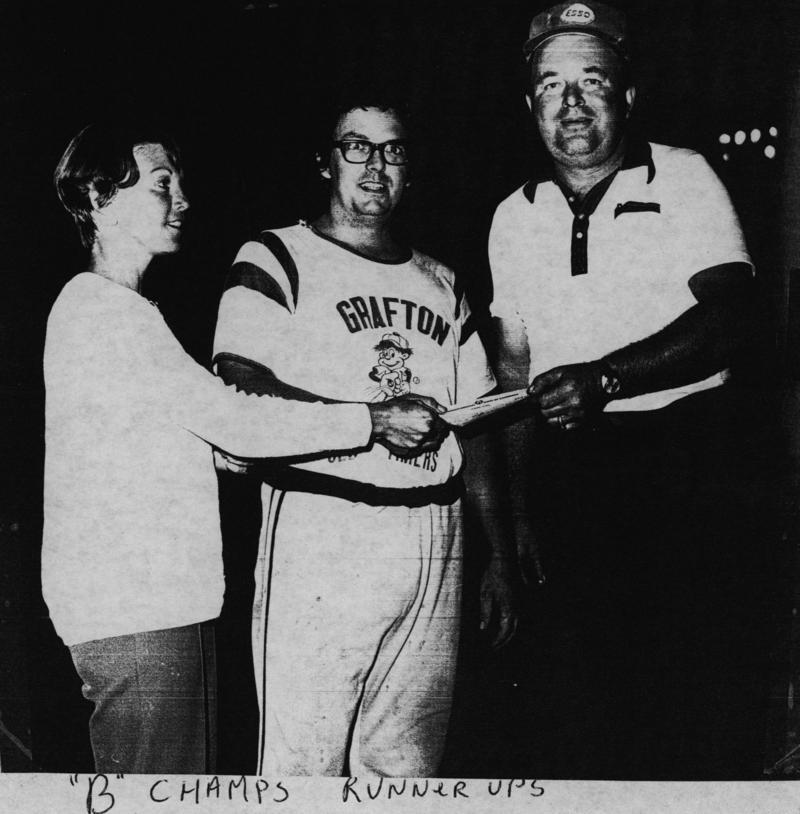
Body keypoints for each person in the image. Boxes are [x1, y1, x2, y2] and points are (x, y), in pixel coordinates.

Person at [43, 122, 447, 774]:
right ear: (99, 198)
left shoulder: (122, 312)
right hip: (142, 615)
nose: (183, 200)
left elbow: (128, 444)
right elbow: (235, 418)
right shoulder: (105, 311)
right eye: (162, 185)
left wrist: (204, 455)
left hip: (154, 608)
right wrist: (371, 419)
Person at [489, 2, 772, 778]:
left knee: (691, 707)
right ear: (529, 106)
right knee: (580, 709)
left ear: (627, 95)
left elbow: (731, 315)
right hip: (570, 477)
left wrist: (608, 378)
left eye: (591, 81)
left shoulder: (682, 174)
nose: (571, 103)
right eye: (550, 86)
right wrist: (514, 521)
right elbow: (514, 378)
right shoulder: (512, 216)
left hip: (685, 462)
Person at [212, 93, 518, 777]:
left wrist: (497, 556)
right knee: (303, 766)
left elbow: (481, 432)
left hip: (435, 538)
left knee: (407, 768)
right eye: (358, 147)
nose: (376, 165)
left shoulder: (444, 282)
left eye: (394, 150)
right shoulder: (277, 255)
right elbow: (239, 384)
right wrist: (372, 418)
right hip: (326, 524)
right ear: (325, 162)